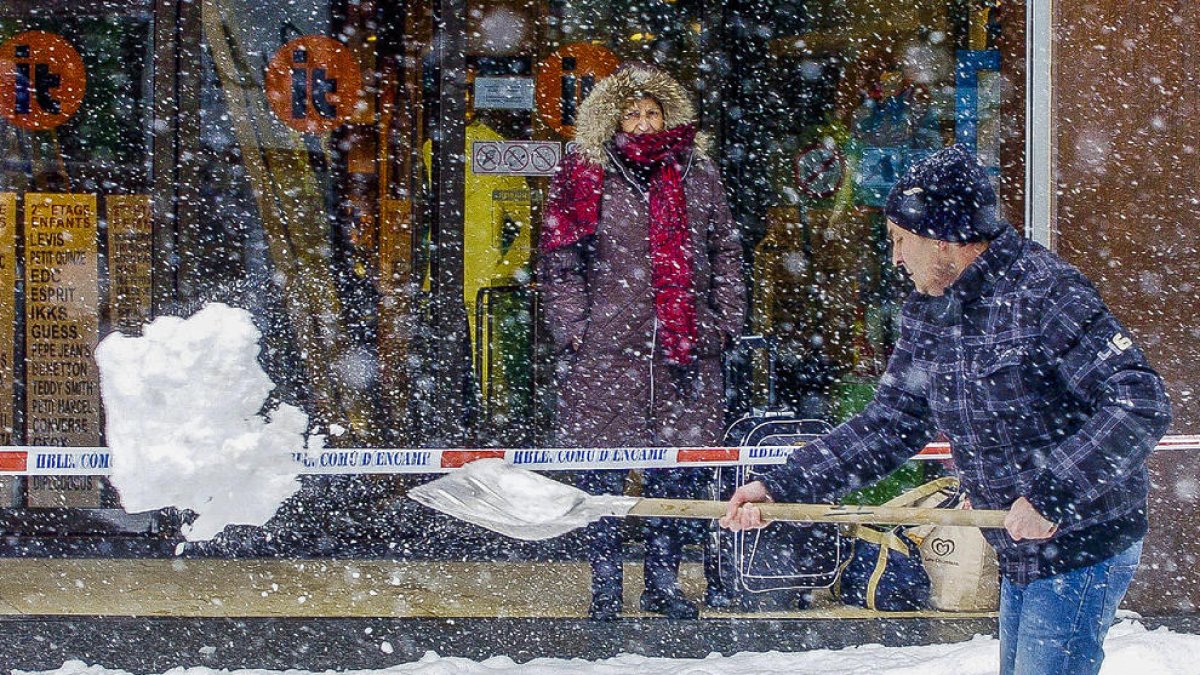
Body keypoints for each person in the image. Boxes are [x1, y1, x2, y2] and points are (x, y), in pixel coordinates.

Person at [721, 145, 1171, 674]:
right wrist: (782, 484)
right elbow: (890, 424)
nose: (894, 259)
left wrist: (1052, 494)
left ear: (942, 240)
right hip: (1016, 539)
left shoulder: (1046, 292)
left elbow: (1140, 401)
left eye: (899, 241)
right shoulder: (932, 310)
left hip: (1078, 537)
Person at [540, 63, 746, 621]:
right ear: (610, 118)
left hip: (684, 346)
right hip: (606, 347)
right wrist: (574, 329)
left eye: (653, 111)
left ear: (669, 116)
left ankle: (662, 581)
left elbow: (725, 249)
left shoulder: (697, 172)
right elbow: (561, 261)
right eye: (631, 112)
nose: (643, 120)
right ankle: (604, 586)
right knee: (601, 472)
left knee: (675, 470)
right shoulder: (584, 174)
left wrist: (724, 319)